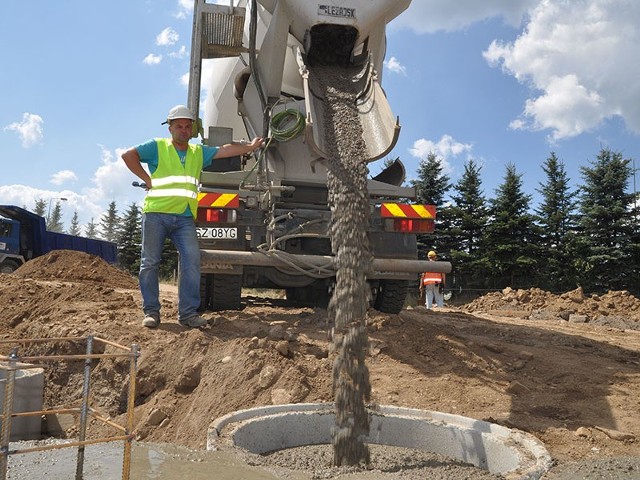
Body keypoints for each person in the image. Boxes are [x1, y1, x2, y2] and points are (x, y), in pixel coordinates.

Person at [122, 105, 264, 329]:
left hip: (185, 217)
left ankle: (188, 314)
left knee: (192, 261)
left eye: (188, 127)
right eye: (179, 126)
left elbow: (225, 150)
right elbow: (128, 155)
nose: (184, 130)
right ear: (170, 128)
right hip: (156, 214)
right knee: (149, 263)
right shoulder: (157, 147)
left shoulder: (198, 152)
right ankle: (151, 312)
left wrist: (250, 146)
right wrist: (146, 179)